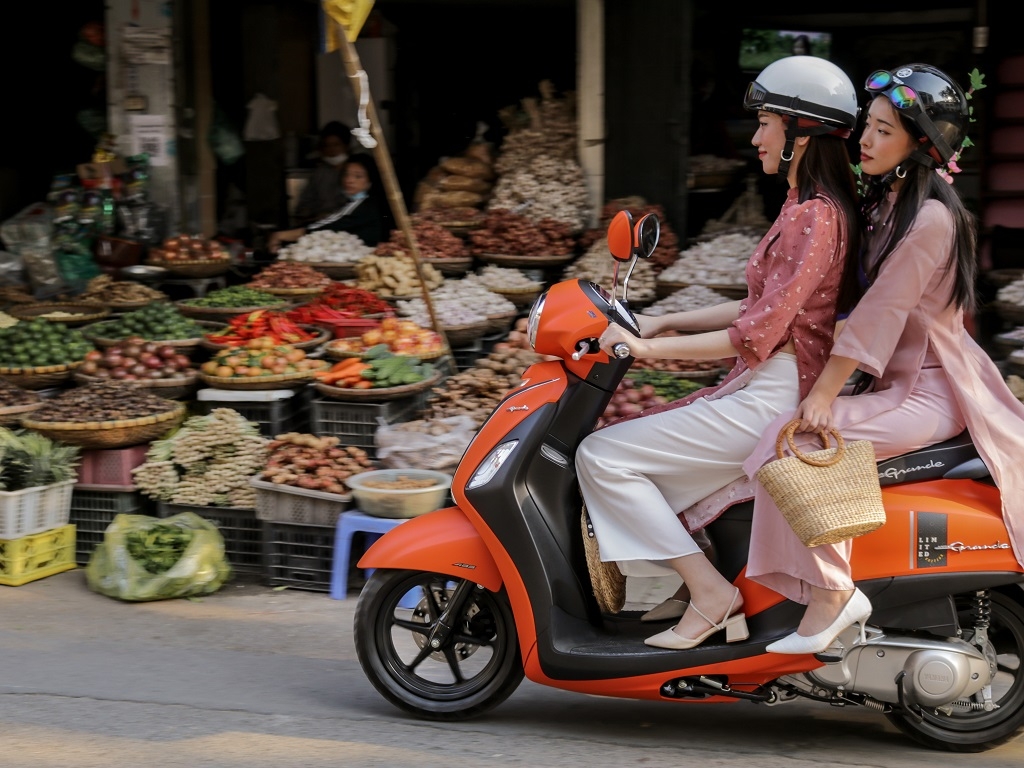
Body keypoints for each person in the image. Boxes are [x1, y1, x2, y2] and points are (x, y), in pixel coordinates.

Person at [575, 55, 862, 650]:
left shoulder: (814, 217)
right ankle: (708, 587)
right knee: (632, 456)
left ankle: (710, 592)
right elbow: (759, 308)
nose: (755, 136)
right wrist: (662, 321)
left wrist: (646, 351)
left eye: (765, 123)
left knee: (601, 456)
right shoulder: (804, 209)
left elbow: (754, 335)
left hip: (774, 394)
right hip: (765, 384)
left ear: (801, 131)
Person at [744, 63, 1024, 655]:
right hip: (886, 384)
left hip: (929, 391)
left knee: (790, 441)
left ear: (920, 145)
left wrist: (821, 396)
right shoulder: (884, 207)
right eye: (867, 127)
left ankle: (832, 594)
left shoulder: (930, 220)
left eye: (882, 131)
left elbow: (878, 317)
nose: (865, 141)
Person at [269, 153, 387, 251]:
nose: (349, 180)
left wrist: (281, 235)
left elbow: (323, 228)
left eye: (358, 176)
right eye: (346, 174)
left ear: (370, 182)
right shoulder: (360, 204)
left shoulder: (362, 205)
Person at [292, 121, 352, 224]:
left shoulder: (355, 170)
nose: (331, 150)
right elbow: (304, 203)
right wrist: (310, 215)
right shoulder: (319, 173)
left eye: (336, 145)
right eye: (327, 146)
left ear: (346, 146)